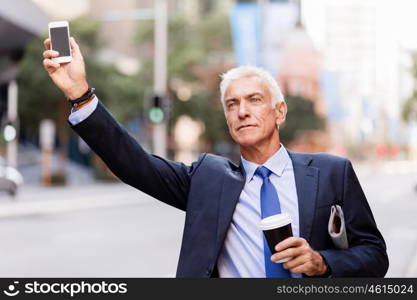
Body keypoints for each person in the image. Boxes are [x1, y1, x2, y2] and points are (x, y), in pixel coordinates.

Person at [42, 37, 388, 278]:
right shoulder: (208, 178)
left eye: (254, 100)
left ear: (279, 111)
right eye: (232, 104)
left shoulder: (331, 172)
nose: (242, 112)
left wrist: (321, 263)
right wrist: (80, 95)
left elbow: (374, 255)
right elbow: (134, 164)